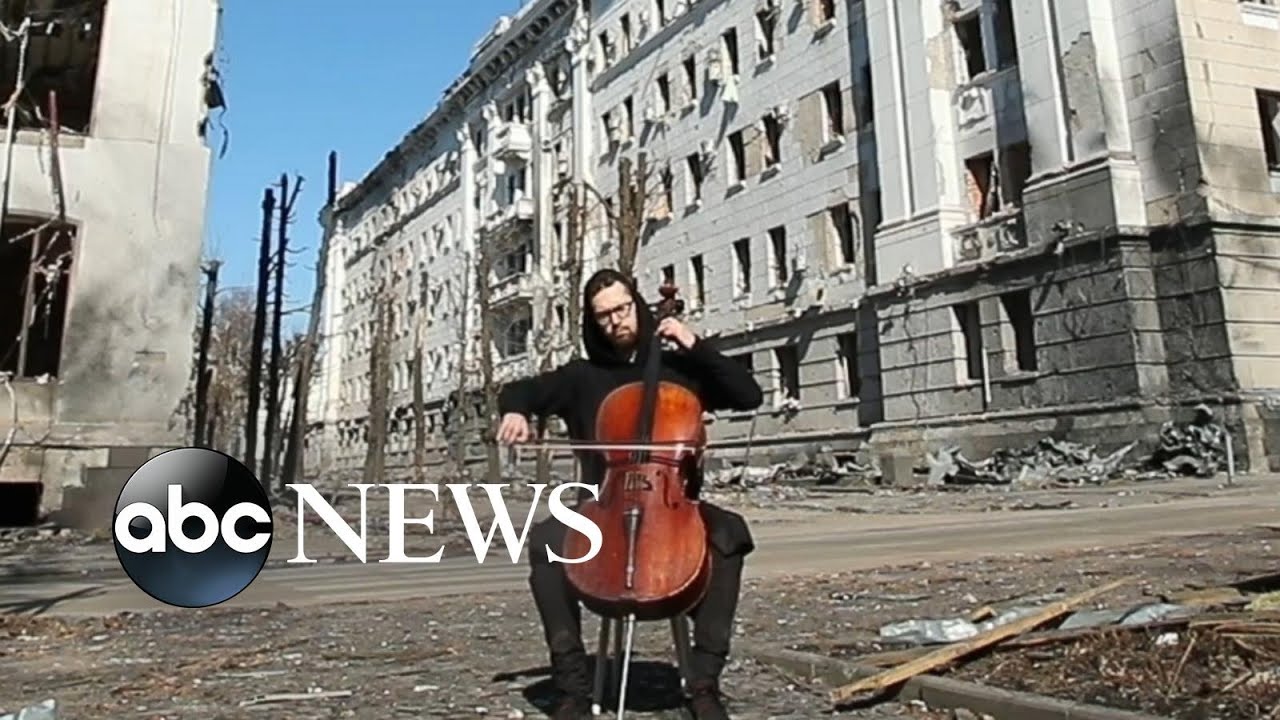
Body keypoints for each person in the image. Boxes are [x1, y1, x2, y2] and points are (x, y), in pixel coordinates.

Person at [494, 268, 763, 720]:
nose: (615, 321)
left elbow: (748, 393)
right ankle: (573, 688)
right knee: (544, 541)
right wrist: (516, 411)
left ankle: (703, 683)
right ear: (591, 322)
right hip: (603, 509)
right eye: (602, 316)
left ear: (636, 304)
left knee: (730, 534)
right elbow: (521, 389)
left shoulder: (680, 369)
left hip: (675, 506)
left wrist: (693, 344)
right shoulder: (583, 377)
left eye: (621, 309)